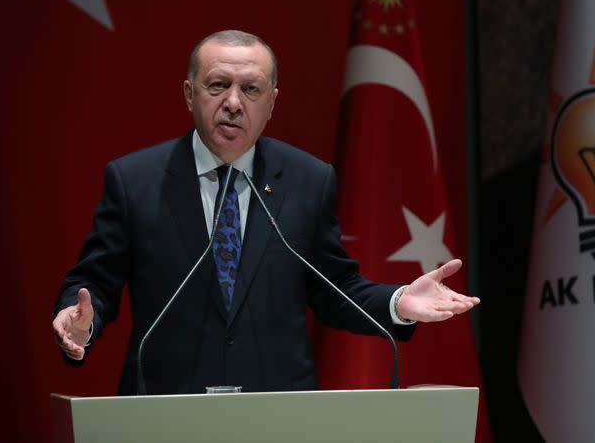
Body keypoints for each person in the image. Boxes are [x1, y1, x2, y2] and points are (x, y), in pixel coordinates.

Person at [52, 30, 479, 395]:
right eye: (217, 85)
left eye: (251, 89)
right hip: (165, 414)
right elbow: (95, 281)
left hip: (279, 416)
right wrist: (78, 320)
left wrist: (399, 302)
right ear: (189, 94)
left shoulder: (307, 180)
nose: (234, 103)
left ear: (272, 102)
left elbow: (334, 287)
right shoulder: (135, 181)